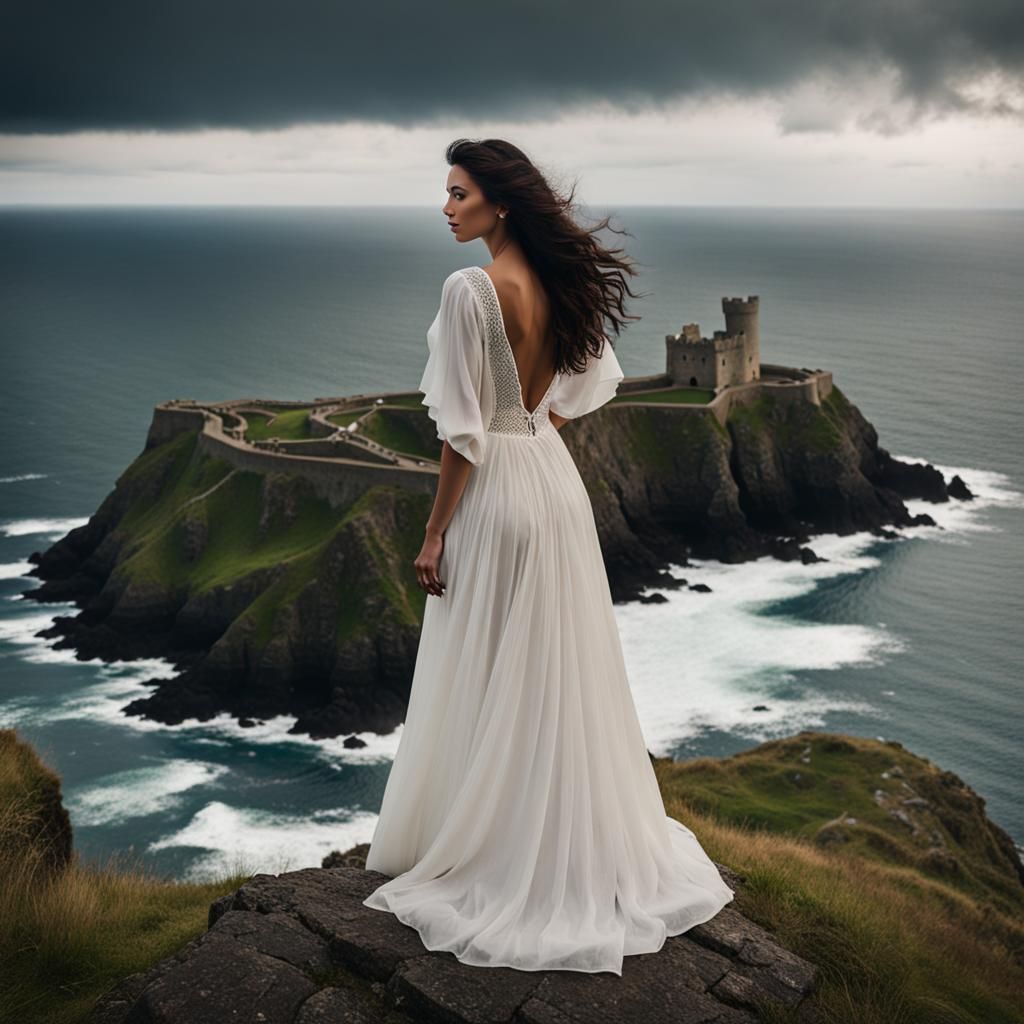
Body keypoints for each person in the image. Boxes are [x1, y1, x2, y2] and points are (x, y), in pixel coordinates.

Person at [363, 138, 734, 975]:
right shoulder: (561, 286)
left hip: (498, 488)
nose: (447, 207)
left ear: (500, 203)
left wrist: (433, 532)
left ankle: (492, 848)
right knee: (552, 670)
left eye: (459, 193)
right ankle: (556, 841)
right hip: (552, 482)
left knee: (488, 664)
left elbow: (462, 429)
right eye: (447, 193)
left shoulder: (471, 290)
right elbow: (587, 385)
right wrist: (530, 434)